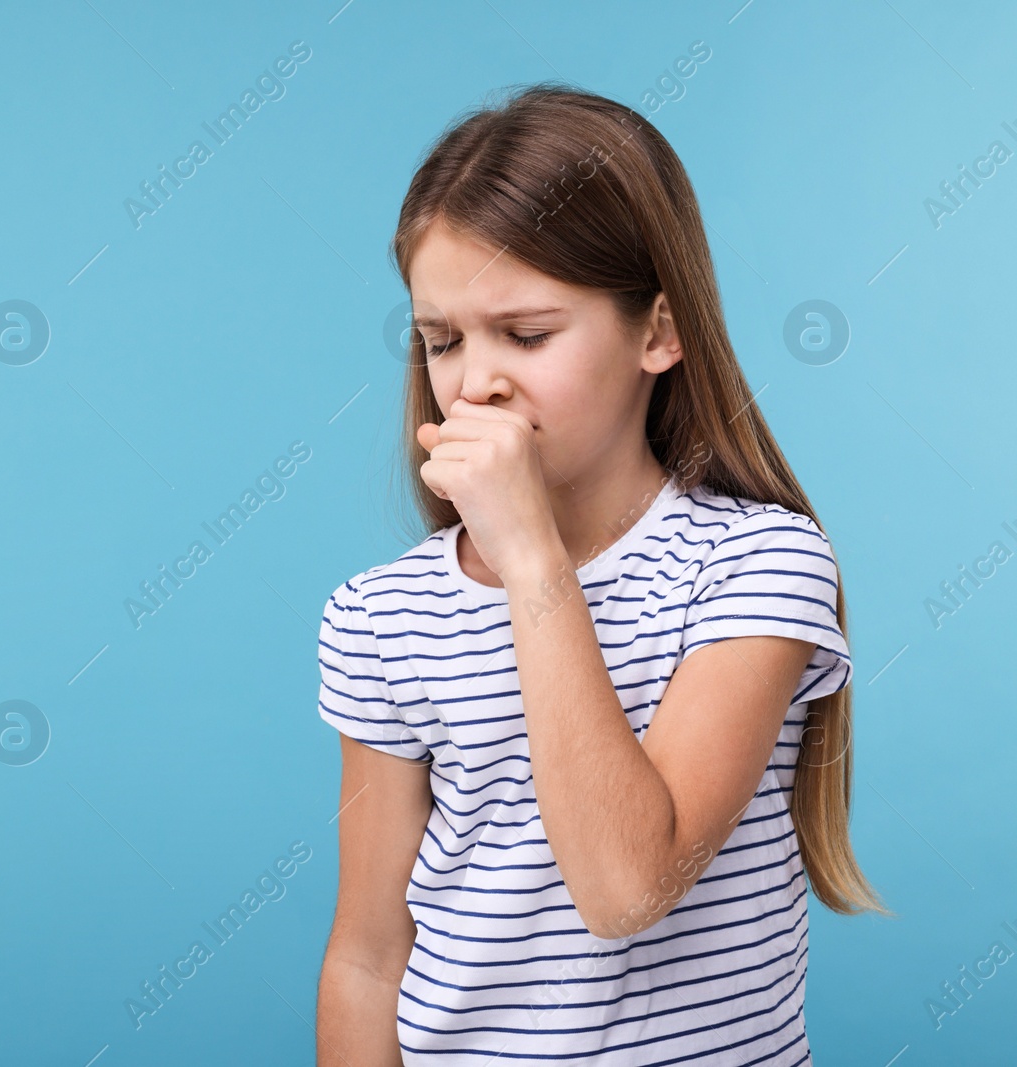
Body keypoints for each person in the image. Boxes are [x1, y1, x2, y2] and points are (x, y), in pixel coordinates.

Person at [314, 83, 890, 1066]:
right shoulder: (384, 614)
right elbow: (368, 957)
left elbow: (626, 886)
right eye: (442, 339)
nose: (474, 380)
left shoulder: (754, 565)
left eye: (527, 334)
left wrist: (533, 556)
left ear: (657, 333)